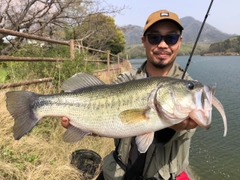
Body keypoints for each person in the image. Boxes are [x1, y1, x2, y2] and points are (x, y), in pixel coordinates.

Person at [61, 9, 198, 180]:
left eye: (171, 38)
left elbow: (188, 130)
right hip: (118, 173)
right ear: (144, 41)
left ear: (179, 42)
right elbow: (105, 110)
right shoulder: (125, 79)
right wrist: (90, 126)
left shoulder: (189, 88)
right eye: (155, 37)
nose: (163, 45)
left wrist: (176, 128)